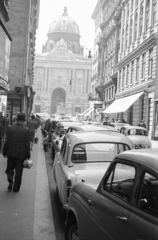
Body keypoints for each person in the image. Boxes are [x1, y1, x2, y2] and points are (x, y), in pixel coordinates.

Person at [3, 113, 30, 192]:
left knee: (10, 168)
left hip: (10, 151)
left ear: (17, 119)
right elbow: (27, 144)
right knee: (19, 170)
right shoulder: (26, 130)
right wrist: (28, 155)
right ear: (24, 121)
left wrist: (4, 151)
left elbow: (7, 141)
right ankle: (16, 187)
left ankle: (10, 181)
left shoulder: (10, 128)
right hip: (21, 152)